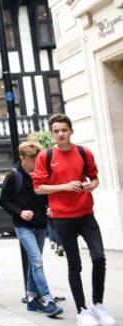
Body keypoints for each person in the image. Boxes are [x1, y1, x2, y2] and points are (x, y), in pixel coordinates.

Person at [33, 114, 116, 326]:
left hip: (86, 214)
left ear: (71, 131)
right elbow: (39, 188)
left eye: (64, 130)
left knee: (99, 257)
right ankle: (81, 310)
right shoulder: (45, 156)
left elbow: (94, 178)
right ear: (52, 134)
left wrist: (91, 186)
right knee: (74, 264)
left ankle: (98, 305)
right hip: (63, 218)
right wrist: (65, 186)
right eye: (56, 131)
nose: (61, 134)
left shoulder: (83, 152)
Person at [0, 141, 63, 317]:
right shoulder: (13, 176)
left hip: (40, 224)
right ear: (22, 158)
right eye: (32, 159)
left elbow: (46, 196)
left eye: (37, 158)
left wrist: (49, 207)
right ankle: (48, 300)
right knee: (37, 261)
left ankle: (32, 299)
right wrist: (20, 212)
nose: (36, 162)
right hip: (23, 226)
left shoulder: (41, 174)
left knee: (35, 262)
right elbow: (3, 201)